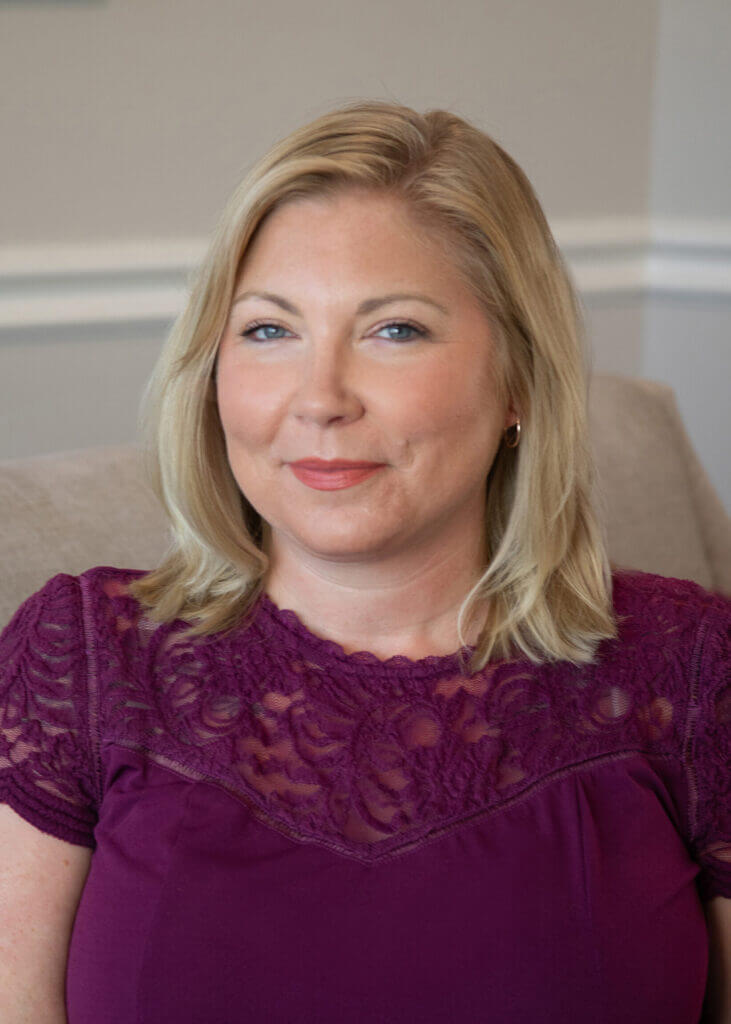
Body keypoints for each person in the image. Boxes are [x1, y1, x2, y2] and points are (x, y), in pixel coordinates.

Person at [0, 100, 729, 1024]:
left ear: (518, 381)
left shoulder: (692, 671)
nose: (319, 398)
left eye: (394, 331)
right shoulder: (85, 659)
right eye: (269, 330)